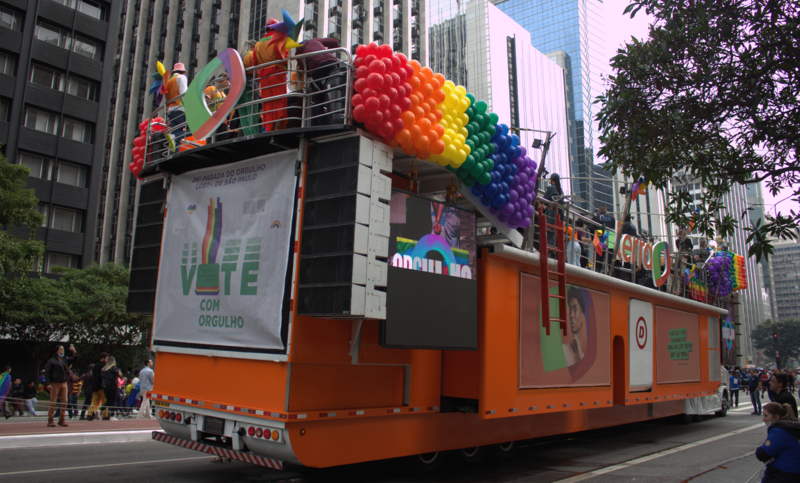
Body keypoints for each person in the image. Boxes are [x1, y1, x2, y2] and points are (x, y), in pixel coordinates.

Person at [294, 36, 345, 125]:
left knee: (317, 97)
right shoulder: (314, 40)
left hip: (317, 68)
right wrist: (329, 53)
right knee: (334, 92)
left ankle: (321, 123)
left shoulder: (299, 53)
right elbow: (335, 41)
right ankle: (338, 118)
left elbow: (304, 72)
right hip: (333, 64)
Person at [253, 19, 290, 132]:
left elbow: (255, 63)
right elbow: (284, 57)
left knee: (267, 106)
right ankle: (277, 130)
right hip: (277, 75)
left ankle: (268, 130)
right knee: (279, 104)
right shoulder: (279, 38)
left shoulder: (258, 44)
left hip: (264, 78)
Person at [755, 402, 800, 482]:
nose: (763, 419)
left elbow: (762, 454)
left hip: (783, 474)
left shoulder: (779, 431)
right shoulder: (791, 426)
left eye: (766, 415)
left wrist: (759, 449)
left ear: (776, 417)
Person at [43, 344, 78, 427]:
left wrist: (74, 352)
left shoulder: (65, 359)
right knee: (53, 402)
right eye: (60, 349)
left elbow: (75, 360)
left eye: (63, 349)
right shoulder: (52, 361)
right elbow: (47, 373)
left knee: (65, 401)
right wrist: (48, 383)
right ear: (57, 351)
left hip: (64, 383)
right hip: (55, 383)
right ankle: (50, 420)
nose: (62, 351)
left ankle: (61, 419)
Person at [562, 286, 587, 366]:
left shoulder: (583, 357)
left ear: (582, 317)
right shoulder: (562, 350)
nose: (571, 315)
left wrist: (580, 357)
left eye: (575, 310)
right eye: (570, 310)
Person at [166, 63, 189, 143]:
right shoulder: (181, 77)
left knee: (175, 140)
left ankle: (173, 153)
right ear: (182, 71)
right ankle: (174, 136)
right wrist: (189, 107)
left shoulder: (168, 81)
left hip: (170, 111)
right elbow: (184, 93)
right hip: (180, 109)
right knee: (194, 129)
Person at [86, 353, 109, 421]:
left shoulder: (95, 366)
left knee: (94, 401)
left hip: (95, 386)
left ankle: (89, 414)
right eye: (106, 358)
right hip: (101, 386)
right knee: (104, 400)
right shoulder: (103, 366)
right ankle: (105, 415)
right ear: (102, 358)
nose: (107, 360)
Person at [101, 356, 121, 421]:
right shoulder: (113, 368)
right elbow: (119, 374)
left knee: (109, 401)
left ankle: (100, 409)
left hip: (106, 386)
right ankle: (112, 416)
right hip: (113, 385)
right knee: (113, 401)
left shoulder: (104, 369)